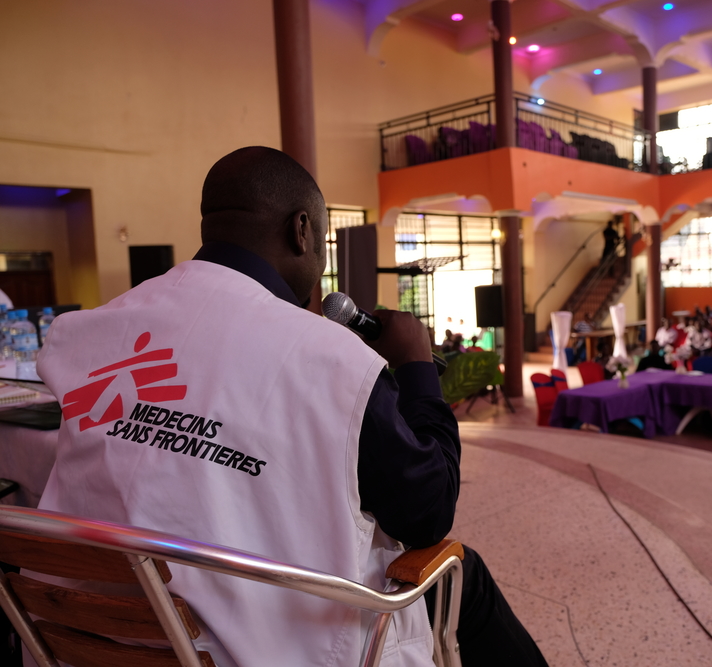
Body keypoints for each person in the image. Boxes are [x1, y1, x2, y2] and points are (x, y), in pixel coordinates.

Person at [33, 147, 547, 667]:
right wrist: (415, 366)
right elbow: (427, 514)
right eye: (323, 241)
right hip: (275, 646)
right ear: (301, 230)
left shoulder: (87, 331)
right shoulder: (334, 361)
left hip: (88, 643)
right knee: (463, 575)